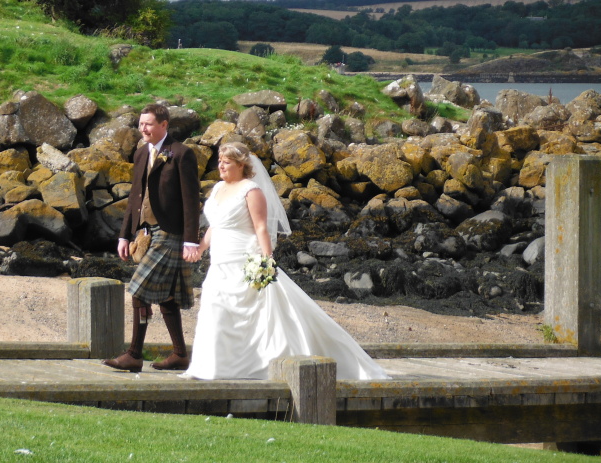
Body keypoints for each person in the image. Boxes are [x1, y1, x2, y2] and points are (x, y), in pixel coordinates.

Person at [184, 142, 389, 380]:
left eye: (226, 161)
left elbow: (261, 227)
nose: (220, 165)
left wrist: (266, 259)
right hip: (219, 261)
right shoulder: (218, 188)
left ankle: (263, 363)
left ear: (241, 165)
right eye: (219, 160)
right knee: (215, 310)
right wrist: (200, 248)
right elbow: (215, 225)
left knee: (253, 313)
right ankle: (213, 367)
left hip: (243, 258)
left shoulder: (251, 191)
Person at [103, 103, 201, 373]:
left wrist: (191, 239)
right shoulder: (140, 154)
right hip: (146, 232)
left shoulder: (181, 154)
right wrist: (125, 235)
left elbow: (191, 200)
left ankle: (134, 354)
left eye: (148, 124)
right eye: (140, 124)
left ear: (164, 125)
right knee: (167, 296)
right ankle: (180, 354)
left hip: (172, 233)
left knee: (138, 288)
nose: (142, 128)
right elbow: (135, 197)